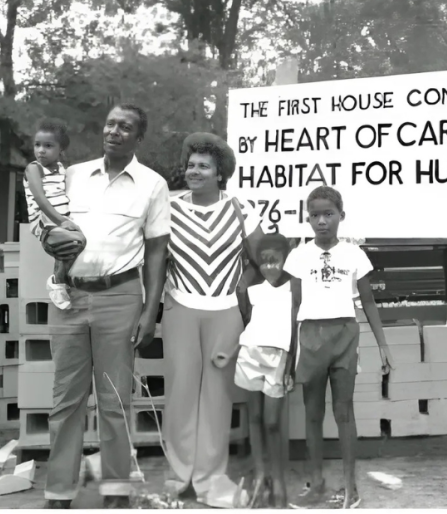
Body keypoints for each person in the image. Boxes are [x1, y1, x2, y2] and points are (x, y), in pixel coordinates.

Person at [39, 104, 171, 510]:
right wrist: (49, 239)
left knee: (115, 399)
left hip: (121, 296)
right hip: (69, 296)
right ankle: (60, 490)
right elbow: (45, 224)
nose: (114, 131)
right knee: (66, 399)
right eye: (111, 124)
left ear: (138, 137)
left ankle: (116, 490)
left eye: (125, 127)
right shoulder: (71, 175)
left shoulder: (152, 185)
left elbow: (156, 252)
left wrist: (151, 310)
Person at [162, 132, 262, 508]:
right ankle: (178, 479)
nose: (194, 171)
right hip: (179, 309)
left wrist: (242, 286)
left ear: (221, 173)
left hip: (225, 313)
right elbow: (156, 260)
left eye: (204, 166)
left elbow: (263, 259)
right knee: (181, 394)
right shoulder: (169, 208)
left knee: (217, 397)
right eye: (190, 165)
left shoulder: (241, 208)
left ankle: (210, 481)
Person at [285, 186, 393, 509]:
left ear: (341, 217)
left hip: (345, 334)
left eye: (328, 214)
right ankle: (315, 484)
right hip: (311, 336)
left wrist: (383, 345)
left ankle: (350, 489)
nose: (321, 221)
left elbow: (369, 302)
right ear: (307, 219)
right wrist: (290, 354)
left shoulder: (354, 255)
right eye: (315, 215)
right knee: (313, 413)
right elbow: (294, 306)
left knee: (344, 411)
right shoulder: (298, 256)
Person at [233, 233, 294, 508]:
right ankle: (261, 476)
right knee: (255, 418)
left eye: (275, 261)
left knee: (272, 421)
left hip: (279, 360)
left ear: (285, 260)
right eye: (265, 261)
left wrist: (292, 365)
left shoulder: (295, 289)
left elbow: (297, 329)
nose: (270, 266)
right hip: (251, 355)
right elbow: (246, 320)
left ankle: (278, 479)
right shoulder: (251, 289)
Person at [23, 118, 81, 310]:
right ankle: (57, 282)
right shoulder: (34, 168)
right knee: (73, 241)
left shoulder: (62, 170)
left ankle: (61, 282)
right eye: (37, 145)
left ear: (60, 150)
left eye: (48, 146)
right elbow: (40, 199)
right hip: (44, 219)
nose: (41, 150)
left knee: (68, 250)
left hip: (62, 218)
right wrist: (61, 221)